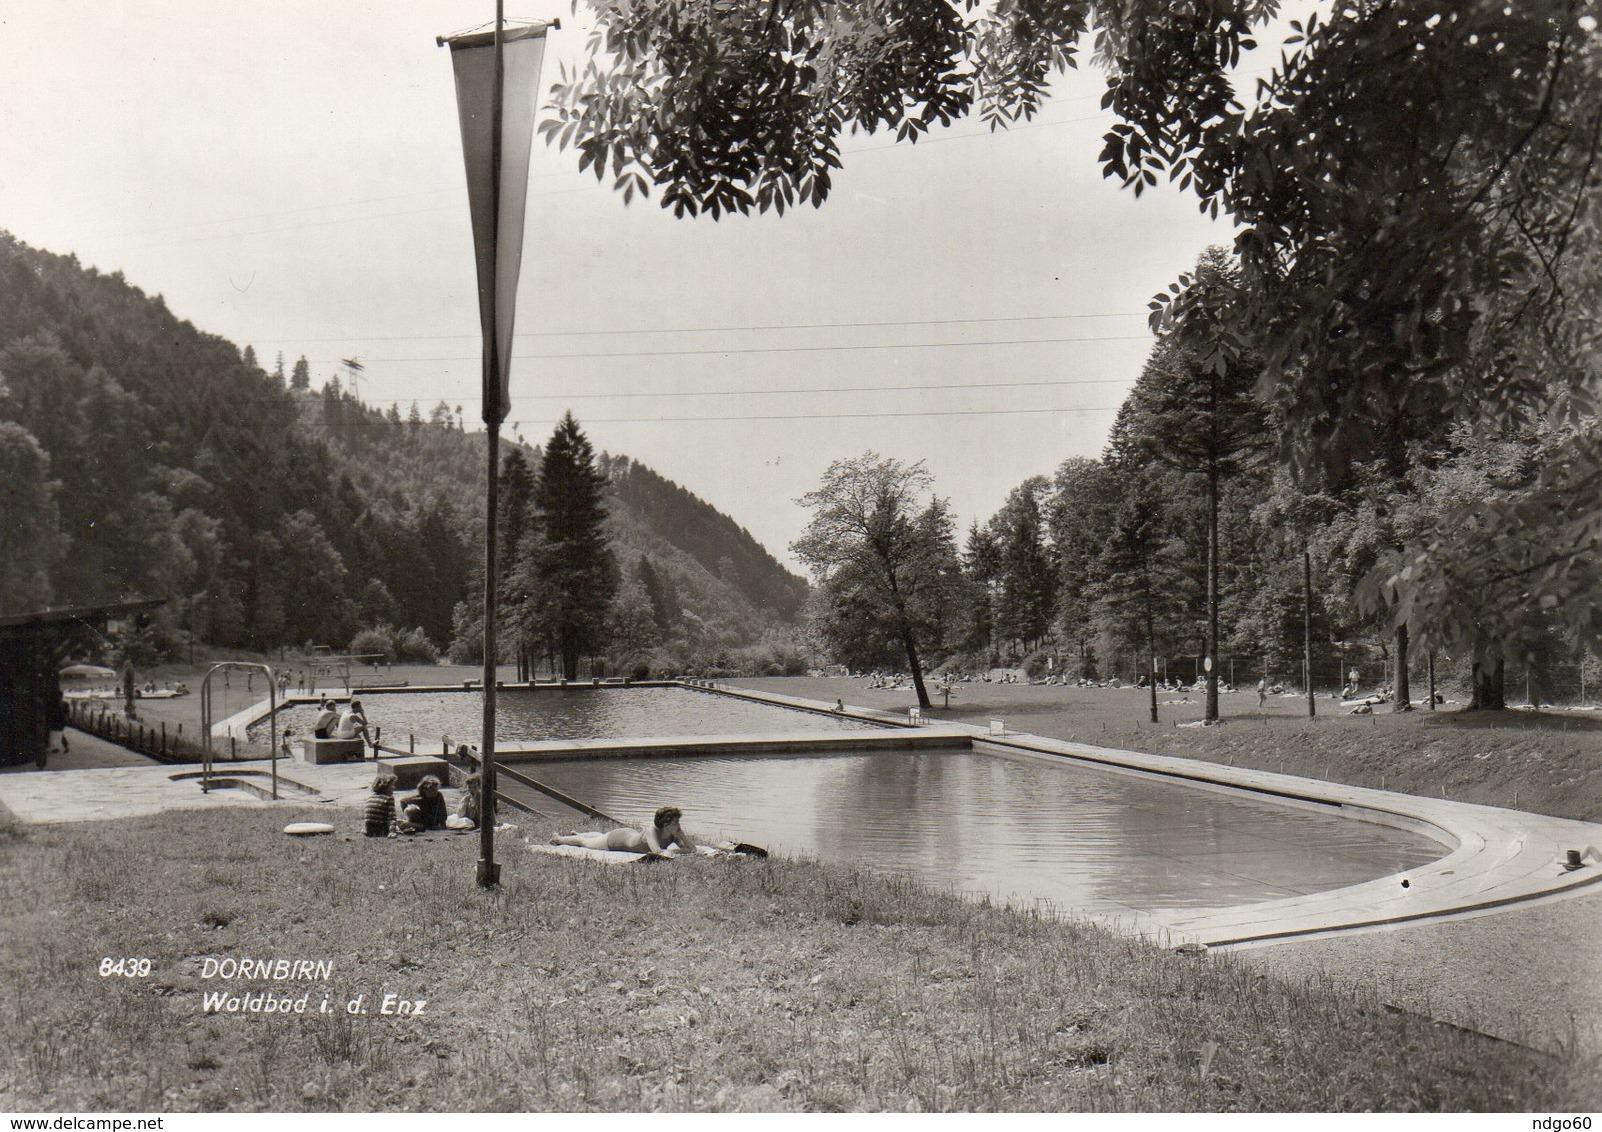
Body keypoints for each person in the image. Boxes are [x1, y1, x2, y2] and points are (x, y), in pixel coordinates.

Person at [551, 806, 693, 855]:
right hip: (617, 840)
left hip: (627, 834)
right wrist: (680, 851)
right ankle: (558, 839)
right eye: (676, 822)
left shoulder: (672, 835)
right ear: (666, 824)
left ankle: (579, 833)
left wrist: (682, 836)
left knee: (599, 836)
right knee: (585, 843)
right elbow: (658, 852)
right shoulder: (652, 832)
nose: (678, 825)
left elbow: (692, 849)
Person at [365, 773, 397, 837]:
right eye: (392, 785)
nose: (394, 788)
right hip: (381, 829)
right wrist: (392, 831)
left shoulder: (370, 797)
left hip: (369, 829)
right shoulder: (389, 798)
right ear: (385, 787)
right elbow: (392, 817)